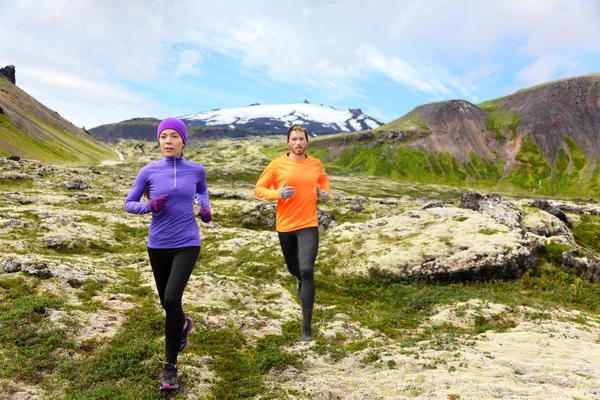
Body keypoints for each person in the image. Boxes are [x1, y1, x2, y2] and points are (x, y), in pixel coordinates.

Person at [124, 117, 212, 391]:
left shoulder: (196, 170)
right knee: (167, 304)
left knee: (172, 298)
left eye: (174, 136)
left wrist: (205, 208)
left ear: (183, 141)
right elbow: (128, 204)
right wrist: (148, 206)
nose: (168, 141)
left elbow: (202, 191)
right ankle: (183, 324)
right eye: (163, 137)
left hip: (187, 242)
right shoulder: (148, 171)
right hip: (157, 245)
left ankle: (170, 367)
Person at [254, 124, 330, 341]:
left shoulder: (315, 164)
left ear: (307, 142)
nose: (298, 143)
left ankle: (306, 326)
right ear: (288, 141)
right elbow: (259, 189)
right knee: (295, 269)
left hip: (308, 225)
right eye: (294, 139)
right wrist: (278, 193)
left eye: (302, 139)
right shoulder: (277, 165)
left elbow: (322, 179)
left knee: (307, 269)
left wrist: (324, 193)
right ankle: (298, 279)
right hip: (285, 226)